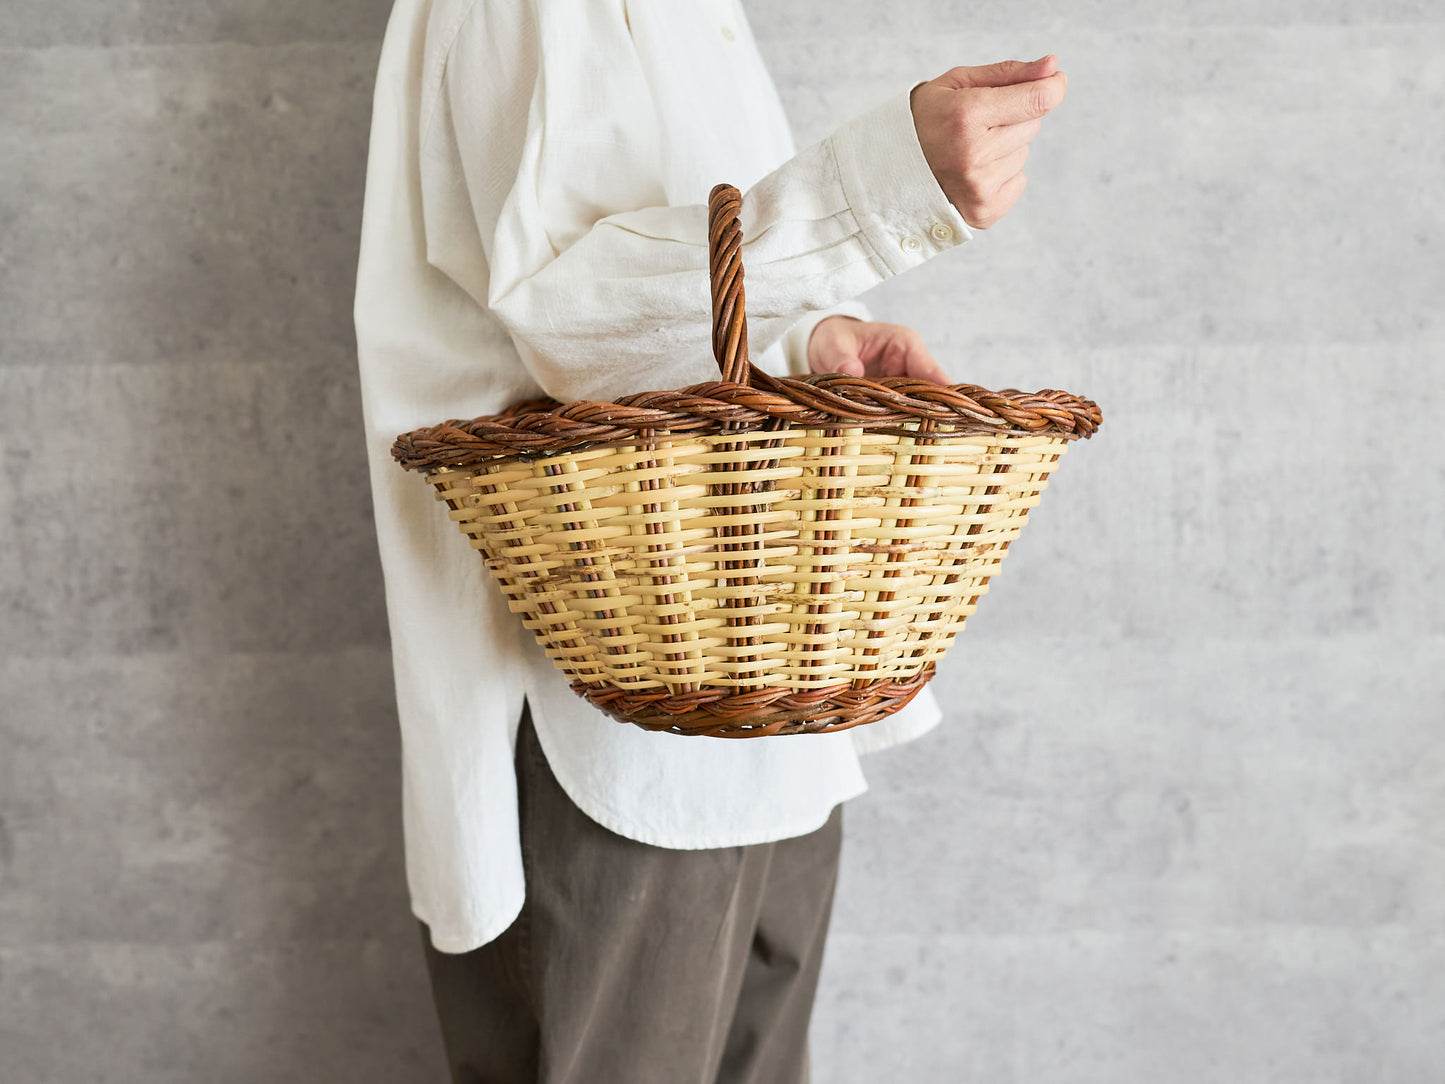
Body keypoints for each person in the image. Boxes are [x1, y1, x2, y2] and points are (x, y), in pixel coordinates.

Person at [353, 2, 1066, 1080]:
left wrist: (809, 339)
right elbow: (567, 317)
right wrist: (880, 188)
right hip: (598, 736)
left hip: (761, 715)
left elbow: (664, 300)